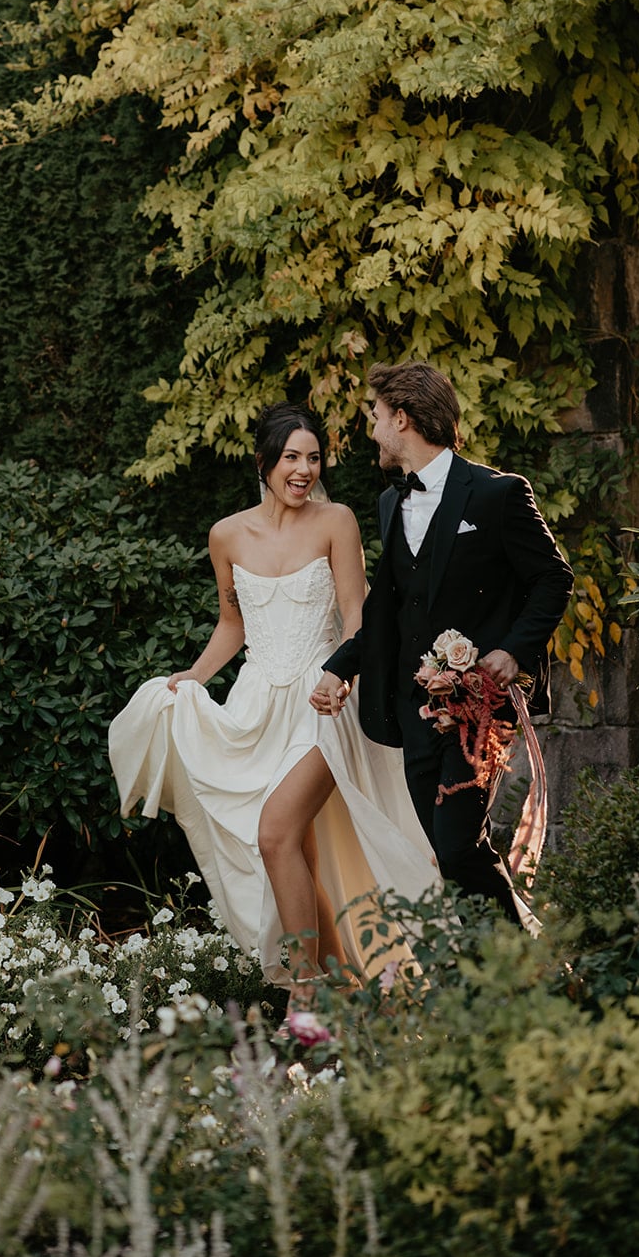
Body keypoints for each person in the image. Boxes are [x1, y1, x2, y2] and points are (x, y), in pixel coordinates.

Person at [108, 402, 434, 994]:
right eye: (291, 458)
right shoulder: (226, 535)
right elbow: (233, 625)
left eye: (313, 458)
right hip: (257, 703)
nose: (303, 470)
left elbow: (358, 615)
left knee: (275, 831)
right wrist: (195, 677)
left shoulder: (336, 521)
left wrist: (345, 675)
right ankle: (341, 983)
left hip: (324, 700)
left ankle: (303, 992)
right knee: (296, 850)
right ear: (264, 462)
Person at [310, 362, 574, 924]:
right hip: (412, 708)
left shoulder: (498, 494)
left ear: (401, 419)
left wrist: (514, 649)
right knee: (452, 855)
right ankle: (502, 983)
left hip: (479, 705)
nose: (373, 431)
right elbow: (388, 606)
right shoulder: (390, 504)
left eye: (377, 418)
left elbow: (554, 576)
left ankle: (522, 971)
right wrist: (341, 667)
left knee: (458, 846)